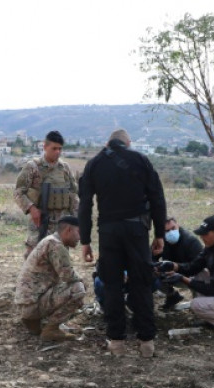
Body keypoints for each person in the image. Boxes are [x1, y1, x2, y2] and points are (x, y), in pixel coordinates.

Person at [79, 129, 167, 357]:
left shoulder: (94, 164)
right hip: (137, 230)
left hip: (108, 231)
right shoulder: (140, 159)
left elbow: (85, 205)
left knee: (112, 285)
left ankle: (116, 341)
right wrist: (159, 234)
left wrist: (85, 240)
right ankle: (146, 341)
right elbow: (157, 197)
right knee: (142, 283)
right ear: (127, 143)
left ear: (108, 143)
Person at [14, 215, 87, 342]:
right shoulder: (56, 245)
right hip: (32, 304)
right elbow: (68, 276)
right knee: (78, 289)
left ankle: (34, 321)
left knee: (75, 286)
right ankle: (51, 329)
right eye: (78, 232)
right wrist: (83, 281)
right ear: (68, 230)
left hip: (27, 303)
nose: (80, 238)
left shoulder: (50, 240)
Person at [13, 130, 79, 259]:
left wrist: (76, 220)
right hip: (41, 221)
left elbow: (73, 194)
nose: (57, 152)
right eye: (54, 148)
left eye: (60, 149)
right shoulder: (33, 167)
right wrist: (32, 208)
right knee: (35, 258)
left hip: (61, 223)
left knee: (59, 259)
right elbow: (18, 192)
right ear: (45, 147)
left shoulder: (64, 168)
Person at [154, 216, 203, 310]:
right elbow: (151, 259)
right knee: (151, 273)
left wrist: (177, 269)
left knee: (200, 275)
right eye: (167, 231)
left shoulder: (191, 241)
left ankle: (198, 303)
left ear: (178, 225)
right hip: (170, 276)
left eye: (173, 228)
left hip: (190, 275)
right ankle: (172, 296)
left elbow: (198, 266)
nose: (171, 232)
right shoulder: (160, 241)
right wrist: (157, 268)